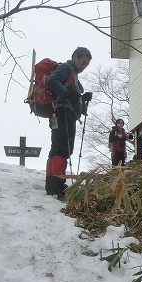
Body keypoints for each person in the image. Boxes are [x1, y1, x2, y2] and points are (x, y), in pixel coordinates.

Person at [44, 47, 92, 197]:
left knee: (57, 148)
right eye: (83, 62)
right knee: (63, 148)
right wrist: (66, 94)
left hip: (60, 113)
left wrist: (82, 100)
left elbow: (71, 95)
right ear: (75, 57)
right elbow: (52, 81)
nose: (83, 66)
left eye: (86, 64)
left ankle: (52, 184)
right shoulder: (66, 68)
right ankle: (57, 185)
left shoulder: (73, 74)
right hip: (63, 112)